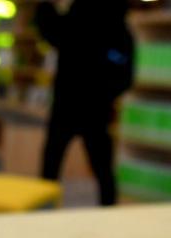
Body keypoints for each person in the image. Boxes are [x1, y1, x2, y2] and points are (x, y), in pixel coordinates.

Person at [35, 0, 134, 206]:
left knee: (52, 167)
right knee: (102, 170)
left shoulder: (75, 20)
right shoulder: (118, 29)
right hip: (94, 109)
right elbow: (126, 77)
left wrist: (45, 6)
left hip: (70, 105)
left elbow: (48, 27)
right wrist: (106, 94)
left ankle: (44, 210)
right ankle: (108, 213)